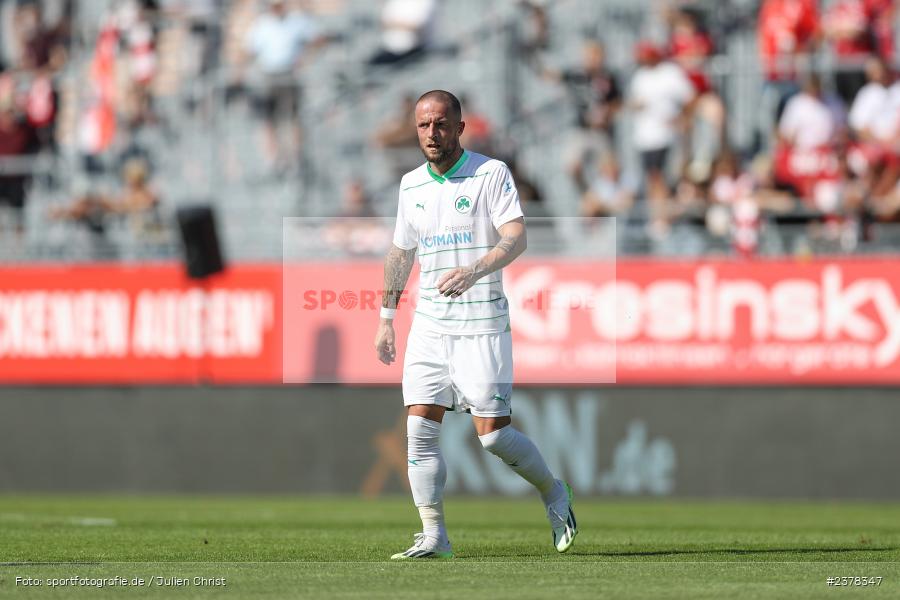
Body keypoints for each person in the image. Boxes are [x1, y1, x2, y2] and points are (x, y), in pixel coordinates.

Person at [374, 90, 577, 560]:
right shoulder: (410, 186)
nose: (431, 133)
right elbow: (400, 253)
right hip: (428, 325)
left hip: (482, 323)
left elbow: (516, 237)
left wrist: (474, 270)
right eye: (423, 125)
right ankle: (434, 535)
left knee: (493, 436)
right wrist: (386, 318)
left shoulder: (489, 174)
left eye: (440, 124)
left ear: (460, 127)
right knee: (419, 428)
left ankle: (553, 492)